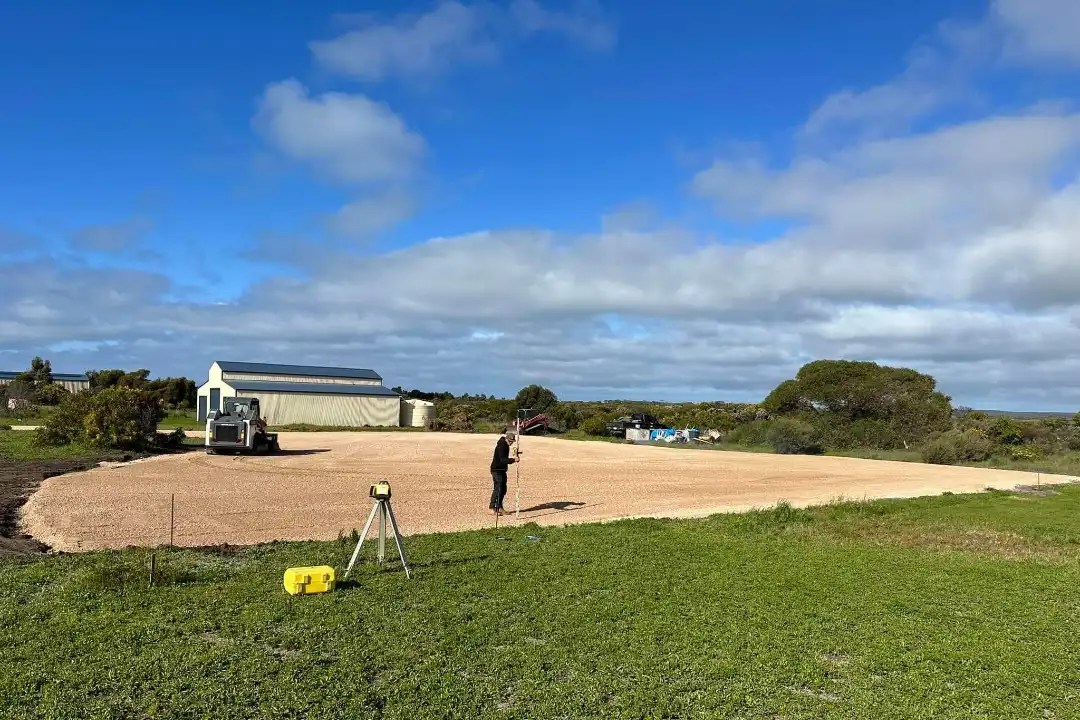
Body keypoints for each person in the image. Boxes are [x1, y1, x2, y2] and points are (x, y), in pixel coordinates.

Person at [489, 429, 518, 514]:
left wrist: (514, 455)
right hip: (496, 470)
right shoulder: (502, 445)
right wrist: (513, 460)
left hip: (502, 470)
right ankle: (492, 507)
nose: (511, 443)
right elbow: (502, 460)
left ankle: (499, 507)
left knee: (503, 489)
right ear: (506, 439)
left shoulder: (505, 445)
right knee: (498, 488)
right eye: (510, 441)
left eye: (512, 441)